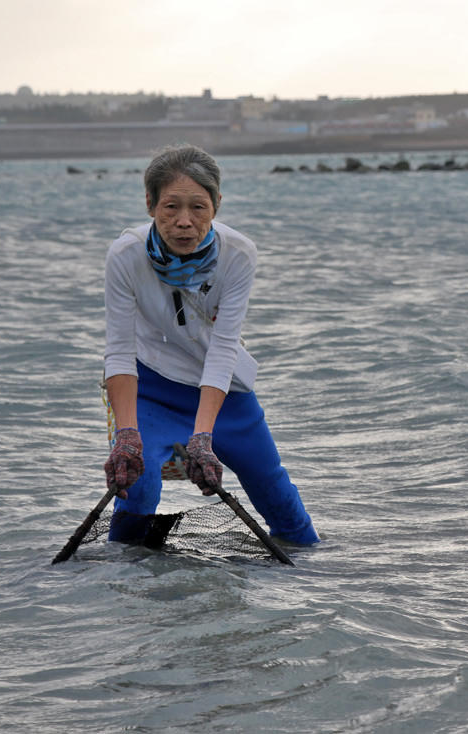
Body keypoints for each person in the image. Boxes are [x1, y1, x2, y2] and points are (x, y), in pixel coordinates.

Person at [102, 144, 318, 546]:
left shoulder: (238, 255)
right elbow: (118, 350)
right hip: (152, 387)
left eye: (198, 207)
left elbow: (222, 349)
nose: (184, 222)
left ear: (217, 205)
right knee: (141, 480)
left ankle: (315, 575)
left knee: (273, 488)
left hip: (222, 392)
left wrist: (202, 439)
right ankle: (125, 581)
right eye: (171, 207)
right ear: (150, 204)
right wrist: (127, 433)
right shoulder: (126, 255)